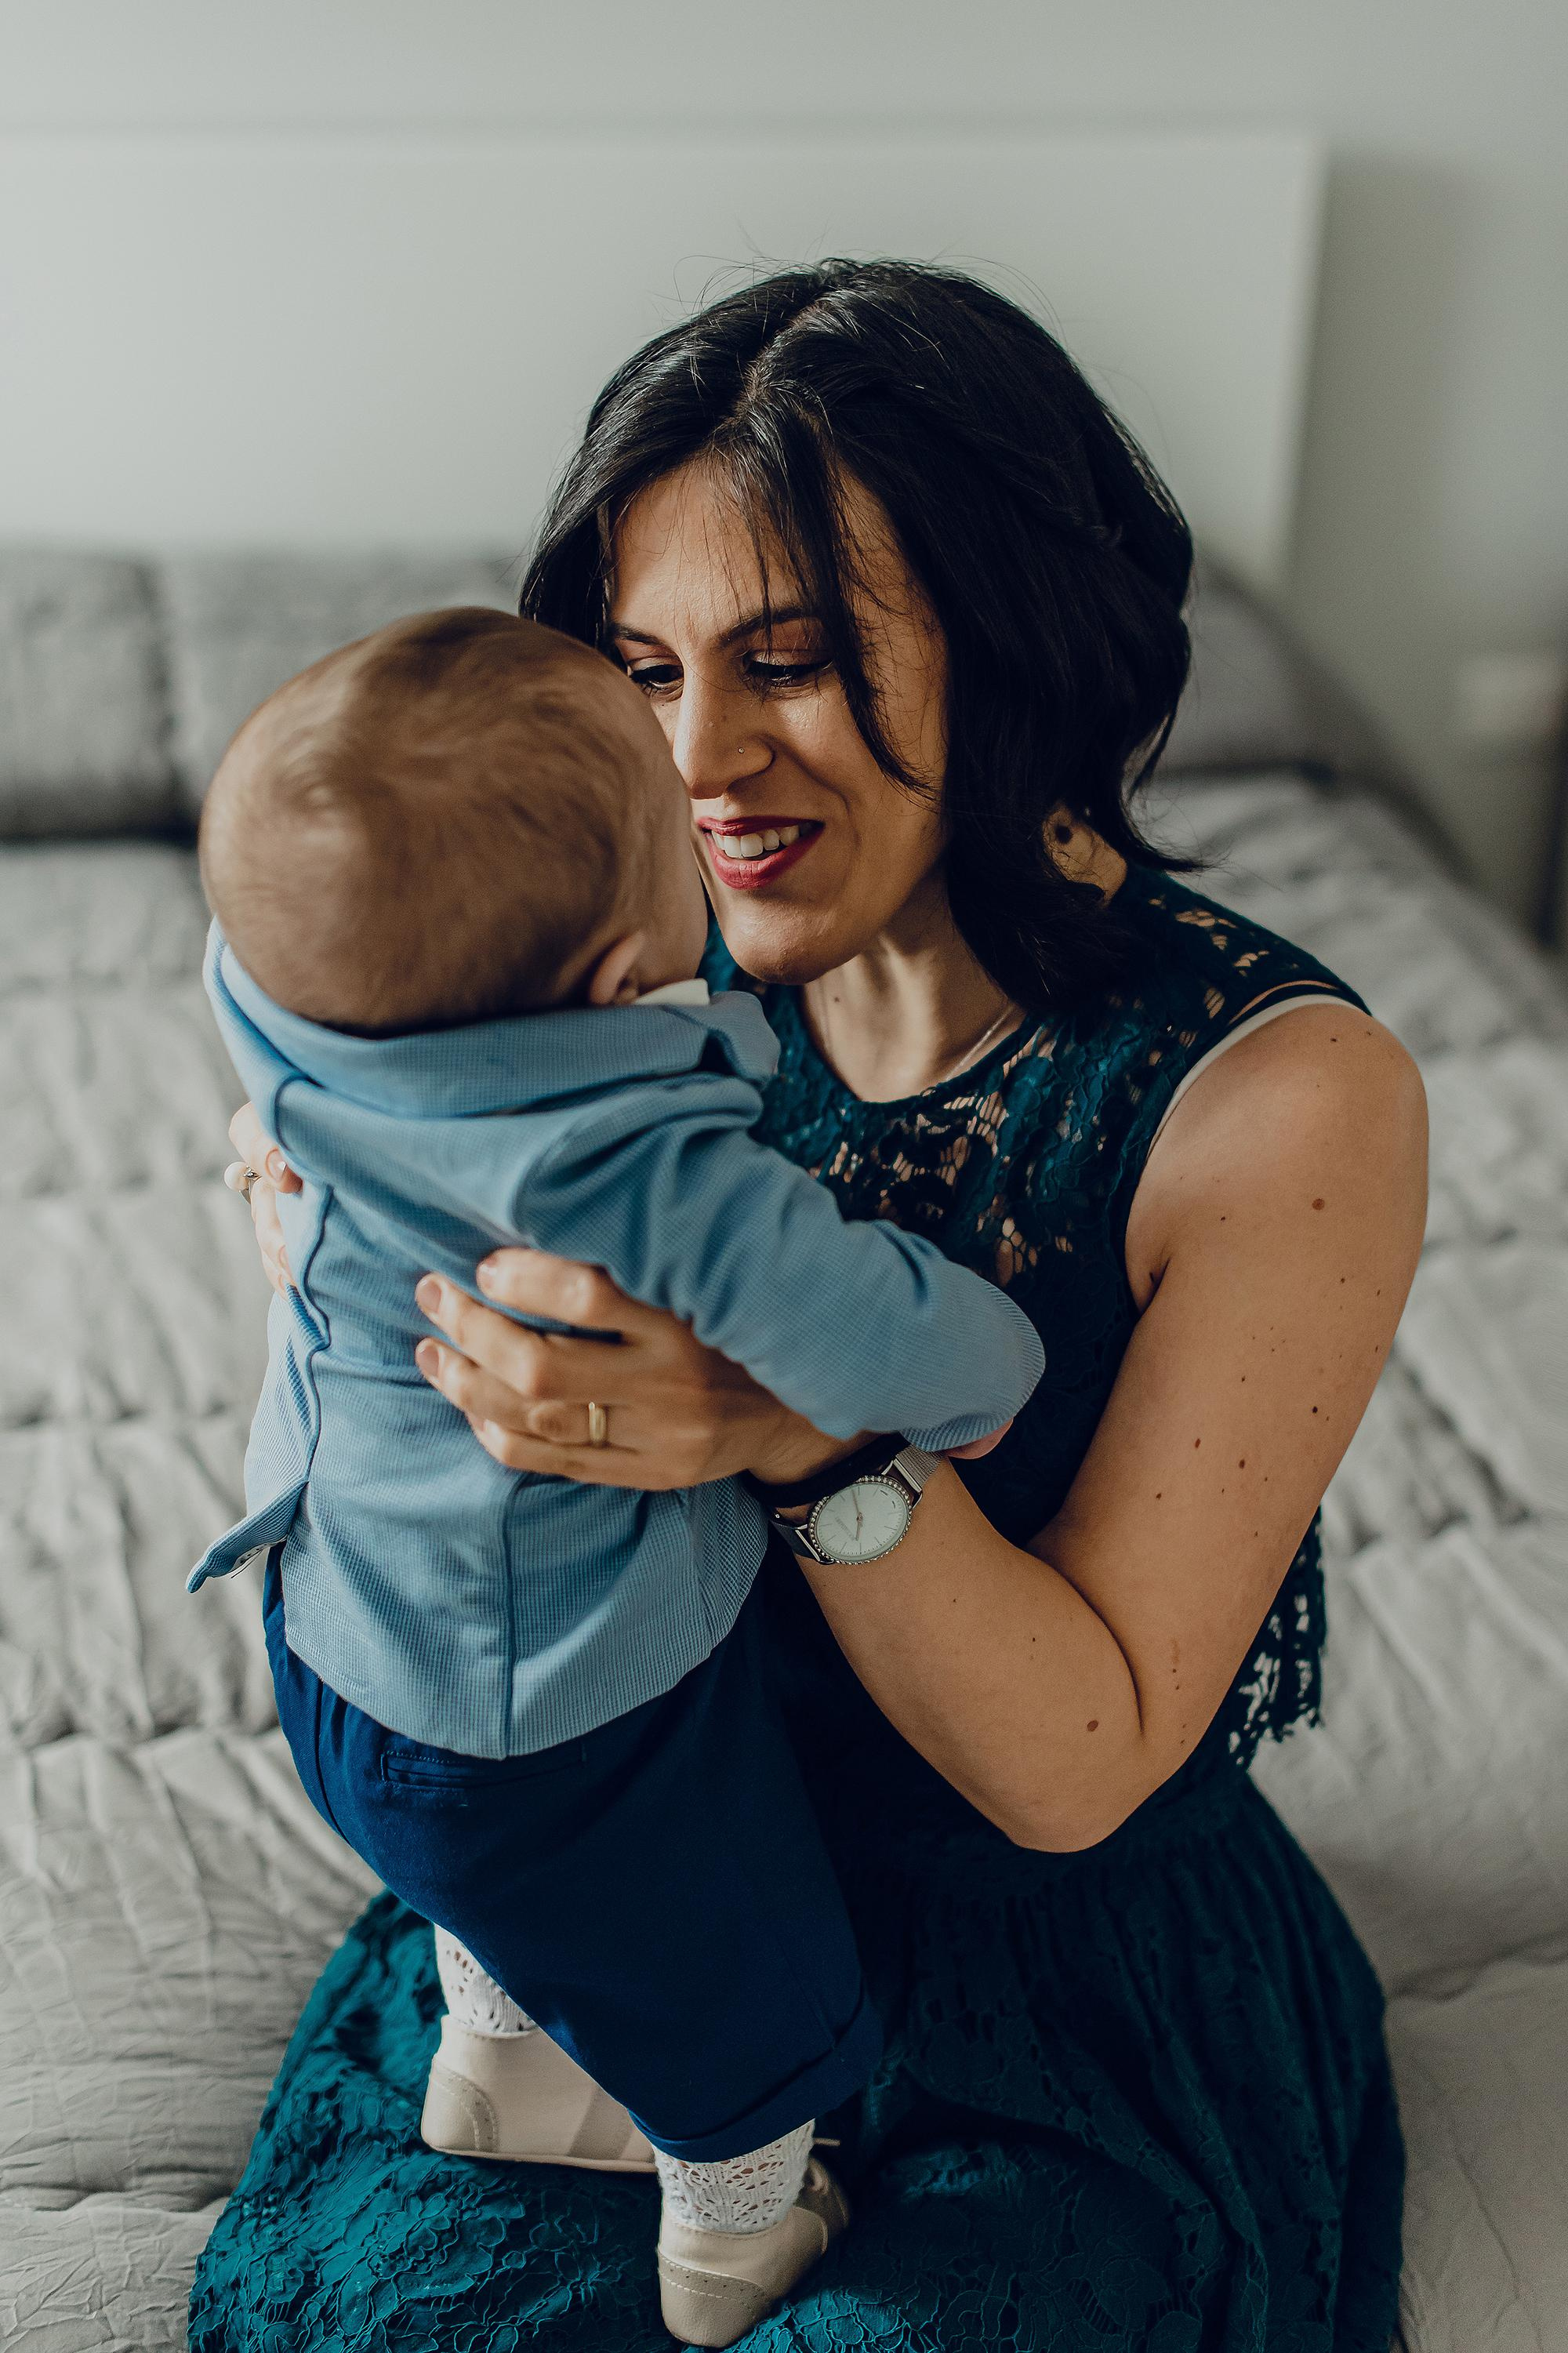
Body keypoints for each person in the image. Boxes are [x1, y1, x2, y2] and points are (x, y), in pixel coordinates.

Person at [196, 260, 1426, 2352]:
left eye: (793, 662)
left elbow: (1076, 1771)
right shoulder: (584, 945)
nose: (701, 761)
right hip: (631, 1838)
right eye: (643, 669)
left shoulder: (1279, 1102)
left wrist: (793, 1431)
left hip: (1046, 1956)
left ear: (1013, 637)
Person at [193, 607, 1044, 2346]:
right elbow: (854, 1325)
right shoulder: (620, 1153)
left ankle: (497, 2076)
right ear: (607, 980)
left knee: (494, 1898)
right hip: (567, 1719)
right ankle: (738, 2225)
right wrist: (996, 1363)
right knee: (725, 1960)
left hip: (334, 1641)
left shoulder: (280, 1008)